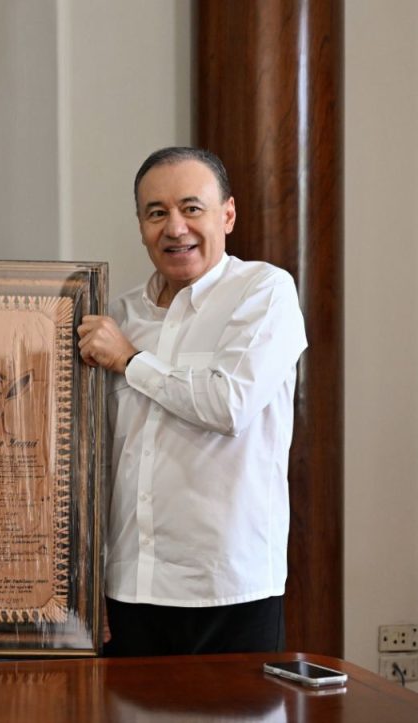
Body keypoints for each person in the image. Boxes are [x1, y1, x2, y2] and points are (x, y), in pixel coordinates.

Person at [77, 147, 307, 656]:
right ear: (141, 226)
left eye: (191, 208)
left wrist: (131, 361)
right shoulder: (119, 315)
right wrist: (91, 576)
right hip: (130, 587)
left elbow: (229, 405)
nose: (175, 228)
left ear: (227, 214)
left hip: (230, 587)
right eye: (156, 213)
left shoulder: (264, 292)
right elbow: (97, 460)